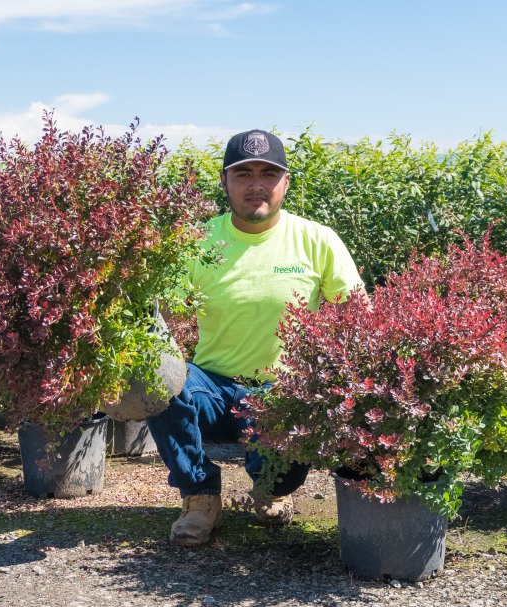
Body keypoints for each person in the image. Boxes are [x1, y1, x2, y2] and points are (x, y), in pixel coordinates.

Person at [147, 129, 364, 547]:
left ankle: (272, 490)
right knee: (157, 379)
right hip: (211, 388)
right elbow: (163, 320)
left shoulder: (317, 241)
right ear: (224, 182)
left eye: (268, 173)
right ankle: (199, 496)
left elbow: (358, 316)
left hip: (283, 392)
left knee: (282, 462)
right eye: (243, 174)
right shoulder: (198, 242)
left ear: (286, 182)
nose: (256, 184)